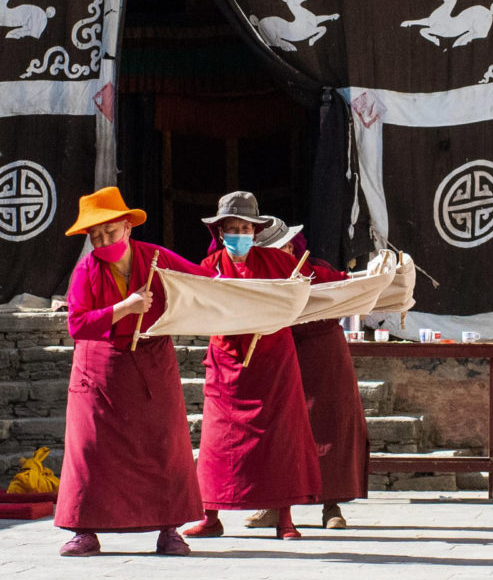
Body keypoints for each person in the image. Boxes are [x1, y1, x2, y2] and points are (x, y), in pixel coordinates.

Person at [55, 186, 205, 556]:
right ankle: (83, 531)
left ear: (127, 226)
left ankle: (170, 529)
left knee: (165, 446)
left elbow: (201, 282)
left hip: (152, 364)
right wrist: (125, 307)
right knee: (90, 450)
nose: (104, 241)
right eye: (96, 236)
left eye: (110, 231)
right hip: (99, 369)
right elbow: (77, 324)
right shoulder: (86, 270)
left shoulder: (155, 258)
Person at [182, 192, 321, 541]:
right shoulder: (209, 266)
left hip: (273, 364)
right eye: (232, 229)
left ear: (255, 232)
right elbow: (196, 304)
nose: (239, 234)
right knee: (217, 444)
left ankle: (285, 519)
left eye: (245, 229)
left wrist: (358, 281)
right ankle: (210, 516)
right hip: (227, 365)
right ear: (220, 232)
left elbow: (313, 283)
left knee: (281, 440)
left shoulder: (277, 262)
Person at [246, 217, 369, 530]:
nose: (282, 253)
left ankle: (332, 506)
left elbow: (348, 291)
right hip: (278, 351)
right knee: (277, 430)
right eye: (271, 251)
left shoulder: (318, 271)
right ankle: (275, 506)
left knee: (329, 427)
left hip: (323, 354)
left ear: (292, 246)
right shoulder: (259, 278)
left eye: (284, 247)